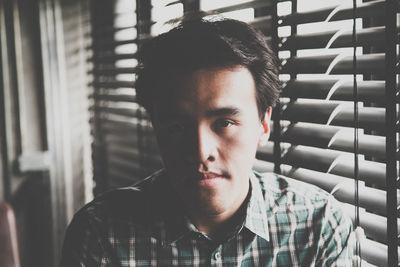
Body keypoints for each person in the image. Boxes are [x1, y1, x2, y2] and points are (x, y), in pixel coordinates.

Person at [61, 18, 353, 266]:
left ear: (264, 124)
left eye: (224, 123)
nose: (200, 152)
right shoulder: (102, 233)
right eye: (176, 127)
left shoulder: (317, 224)